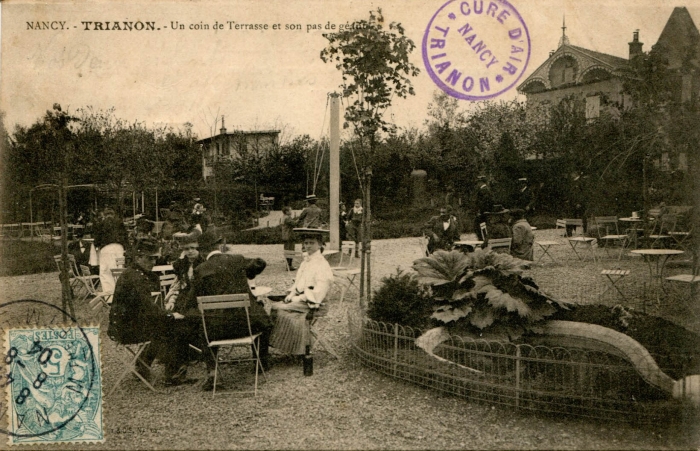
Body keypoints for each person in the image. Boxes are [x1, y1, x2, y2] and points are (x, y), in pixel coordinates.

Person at [174, 228, 272, 391]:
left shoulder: (201, 270)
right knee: (263, 319)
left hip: (216, 331)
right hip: (246, 326)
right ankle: (260, 363)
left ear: (203, 251)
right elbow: (260, 262)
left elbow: (190, 301)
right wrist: (249, 273)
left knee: (203, 327)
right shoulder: (237, 260)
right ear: (219, 246)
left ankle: (213, 372)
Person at [107, 238, 192, 386]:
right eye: (149, 258)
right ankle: (172, 374)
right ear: (138, 257)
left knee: (161, 324)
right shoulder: (136, 278)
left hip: (122, 325)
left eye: (154, 259)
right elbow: (148, 307)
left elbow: (146, 308)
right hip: (125, 329)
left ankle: (143, 364)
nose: (153, 262)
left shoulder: (134, 273)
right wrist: (170, 315)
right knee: (172, 326)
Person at [270, 229, 335, 356]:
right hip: (303, 299)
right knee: (276, 308)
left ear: (320, 244)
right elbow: (299, 282)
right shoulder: (307, 261)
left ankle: (297, 348)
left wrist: (299, 298)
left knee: (278, 308)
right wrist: (292, 294)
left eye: (312, 243)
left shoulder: (322, 264)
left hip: (315, 303)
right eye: (306, 243)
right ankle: (289, 346)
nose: (308, 246)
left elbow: (319, 291)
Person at [92, 207, 128, 294]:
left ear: (104, 215)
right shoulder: (120, 223)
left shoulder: (101, 224)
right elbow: (125, 237)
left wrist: (97, 245)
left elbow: (97, 240)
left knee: (106, 273)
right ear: (113, 215)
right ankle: (121, 294)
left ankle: (110, 296)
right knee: (119, 271)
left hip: (107, 249)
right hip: (119, 248)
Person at [474, 176, 494, 241]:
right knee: (481, 226)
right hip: (484, 211)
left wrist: (480, 211)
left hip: (484, 212)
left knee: (479, 226)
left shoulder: (484, 190)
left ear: (481, 182)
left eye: (478, 182)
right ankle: (483, 239)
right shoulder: (485, 189)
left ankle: (483, 240)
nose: (477, 184)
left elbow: (484, 202)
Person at [281, 206, 298, 270]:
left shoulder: (284, 217)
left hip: (286, 236)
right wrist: (300, 219)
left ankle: (288, 265)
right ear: (286, 211)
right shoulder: (288, 218)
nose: (291, 211)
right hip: (289, 236)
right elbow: (294, 223)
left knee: (287, 251)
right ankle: (289, 266)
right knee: (290, 251)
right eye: (290, 210)